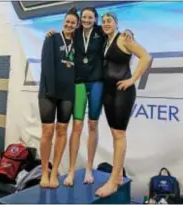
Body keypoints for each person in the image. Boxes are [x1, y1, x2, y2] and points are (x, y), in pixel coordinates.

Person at [47, 7, 133, 186]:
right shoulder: (76, 32)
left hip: (97, 83)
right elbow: (64, 34)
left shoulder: (101, 32)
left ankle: (88, 168)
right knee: (77, 126)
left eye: (90, 17)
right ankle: (71, 171)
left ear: (95, 20)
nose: (86, 20)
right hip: (78, 82)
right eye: (84, 17)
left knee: (93, 124)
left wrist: (129, 32)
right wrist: (51, 33)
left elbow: (115, 32)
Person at [95, 12, 151, 198]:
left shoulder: (124, 39)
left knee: (119, 134)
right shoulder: (104, 40)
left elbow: (145, 57)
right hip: (108, 92)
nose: (105, 24)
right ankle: (118, 175)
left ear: (117, 24)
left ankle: (113, 181)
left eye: (109, 21)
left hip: (122, 92)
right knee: (114, 133)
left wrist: (132, 79)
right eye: (103, 21)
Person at [38, 7, 79, 188]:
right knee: (47, 131)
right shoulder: (52, 38)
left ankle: (54, 172)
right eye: (67, 21)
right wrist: (50, 89)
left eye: (73, 22)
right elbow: (46, 64)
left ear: (77, 25)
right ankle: (44, 172)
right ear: (63, 22)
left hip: (68, 92)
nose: (70, 25)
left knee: (62, 131)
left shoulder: (79, 44)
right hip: (49, 91)